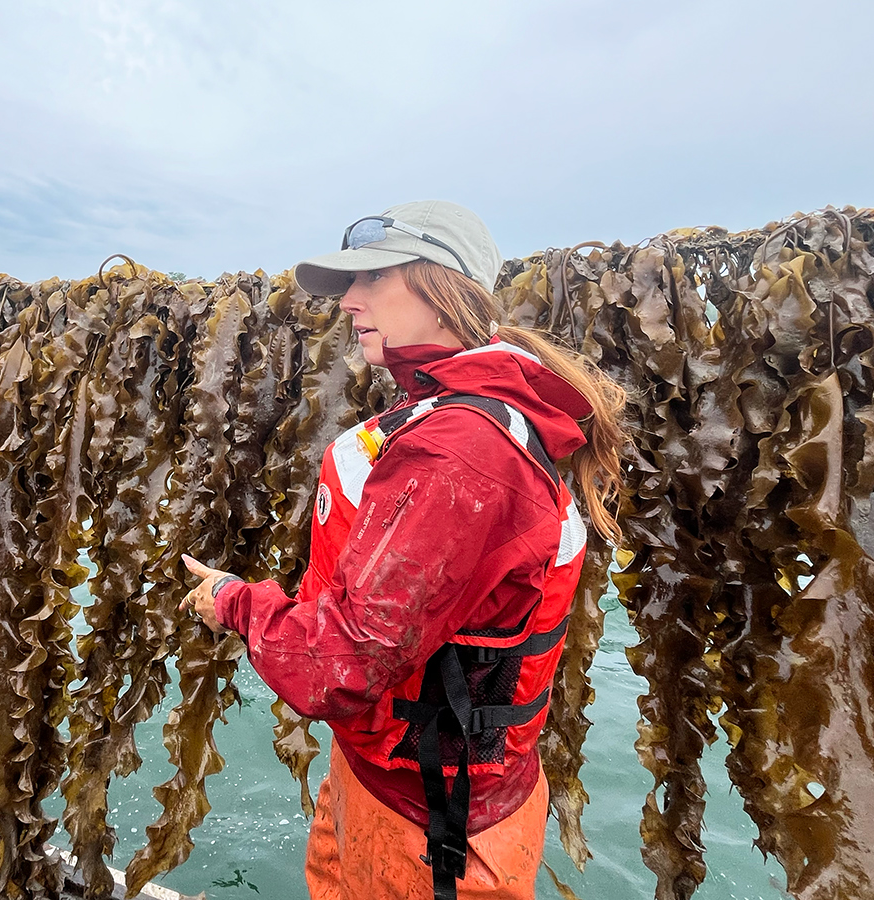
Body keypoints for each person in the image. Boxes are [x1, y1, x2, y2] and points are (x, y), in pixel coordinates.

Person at [181, 201, 626, 900]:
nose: (349, 302)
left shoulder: (463, 451)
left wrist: (234, 601)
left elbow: (342, 664)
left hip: (434, 834)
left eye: (373, 279)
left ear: (443, 286)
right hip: (384, 778)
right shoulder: (455, 414)